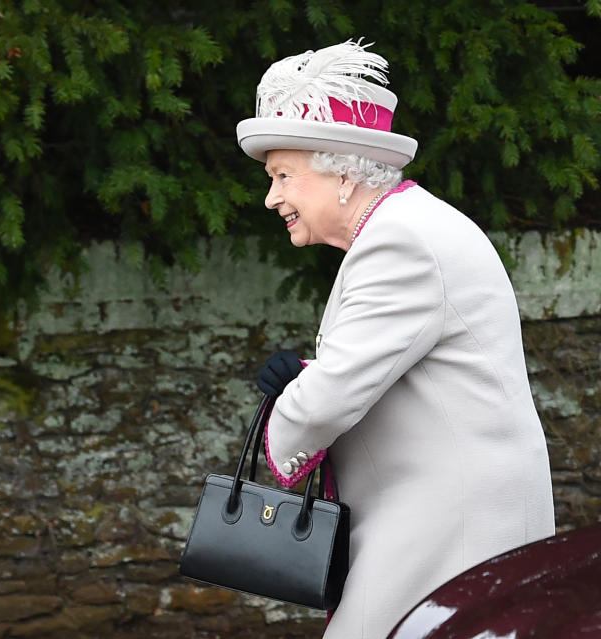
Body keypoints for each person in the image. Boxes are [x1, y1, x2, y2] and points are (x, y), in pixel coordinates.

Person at [237, 39, 556, 638]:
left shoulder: (398, 242)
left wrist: (286, 412)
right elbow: (397, 367)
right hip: (447, 511)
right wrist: (309, 371)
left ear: (338, 171)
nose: (271, 196)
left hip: (448, 523)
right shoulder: (408, 226)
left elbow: (334, 396)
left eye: (283, 174)